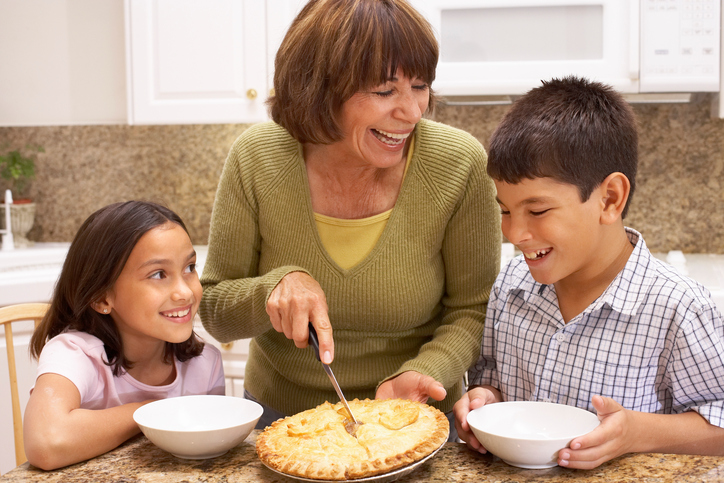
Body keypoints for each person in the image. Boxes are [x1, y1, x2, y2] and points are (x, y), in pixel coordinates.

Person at [199, 0, 500, 439]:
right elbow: (214, 308)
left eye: (420, 86)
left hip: (413, 419)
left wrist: (425, 371)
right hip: (283, 420)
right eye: (384, 91)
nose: (413, 111)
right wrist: (273, 289)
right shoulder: (257, 157)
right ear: (320, 88)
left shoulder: (458, 163)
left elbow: (473, 309)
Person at [453, 76, 724, 468]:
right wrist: (485, 400)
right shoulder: (510, 286)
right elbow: (490, 377)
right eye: (506, 210)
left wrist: (636, 432)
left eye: (538, 210)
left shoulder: (678, 308)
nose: (515, 232)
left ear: (610, 199)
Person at [24, 201, 225, 470]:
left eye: (189, 268)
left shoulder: (204, 364)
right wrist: (148, 411)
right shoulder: (74, 354)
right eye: (158, 274)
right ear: (101, 296)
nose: (185, 293)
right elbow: (46, 443)